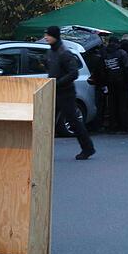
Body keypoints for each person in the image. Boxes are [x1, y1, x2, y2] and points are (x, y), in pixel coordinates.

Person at [42, 26, 95, 160]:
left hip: (66, 93)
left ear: (55, 36)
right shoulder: (51, 52)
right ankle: (42, 150)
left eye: (48, 35)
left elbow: (74, 73)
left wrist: (58, 82)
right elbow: (51, 68)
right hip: (54, 91)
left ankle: (88, 148)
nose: (46, 37)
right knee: (46, 120)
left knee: (73, 122)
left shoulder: (64, 53)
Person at [102, 38, 128, 132]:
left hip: (110, 81)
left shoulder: (105, 53)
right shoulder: (122, 53)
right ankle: (123, 126)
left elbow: (104, 68)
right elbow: (126, 68)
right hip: (122, 82)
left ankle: (112, 125)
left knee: (112, 104)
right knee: (123, 104)